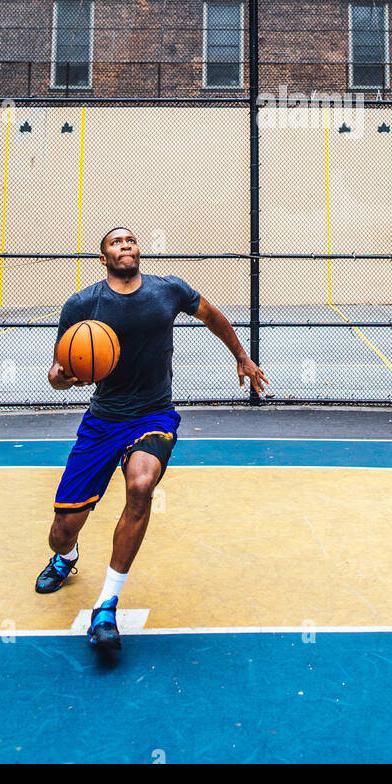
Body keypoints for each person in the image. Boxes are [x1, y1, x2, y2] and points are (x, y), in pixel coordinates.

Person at [35, 227, 270, 649]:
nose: (125, 246)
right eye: (115, 243)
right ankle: (66, 557)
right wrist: (60, 377)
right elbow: (57, 372)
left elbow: (213, 315)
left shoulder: (168, 291)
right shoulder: (83, 304)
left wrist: (242, 357)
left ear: (138, 250)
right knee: (62, 529)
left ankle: (105, 606)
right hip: (102, 421)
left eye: (130, 241)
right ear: (103, 258)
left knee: (141, 486)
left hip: (153, 416)